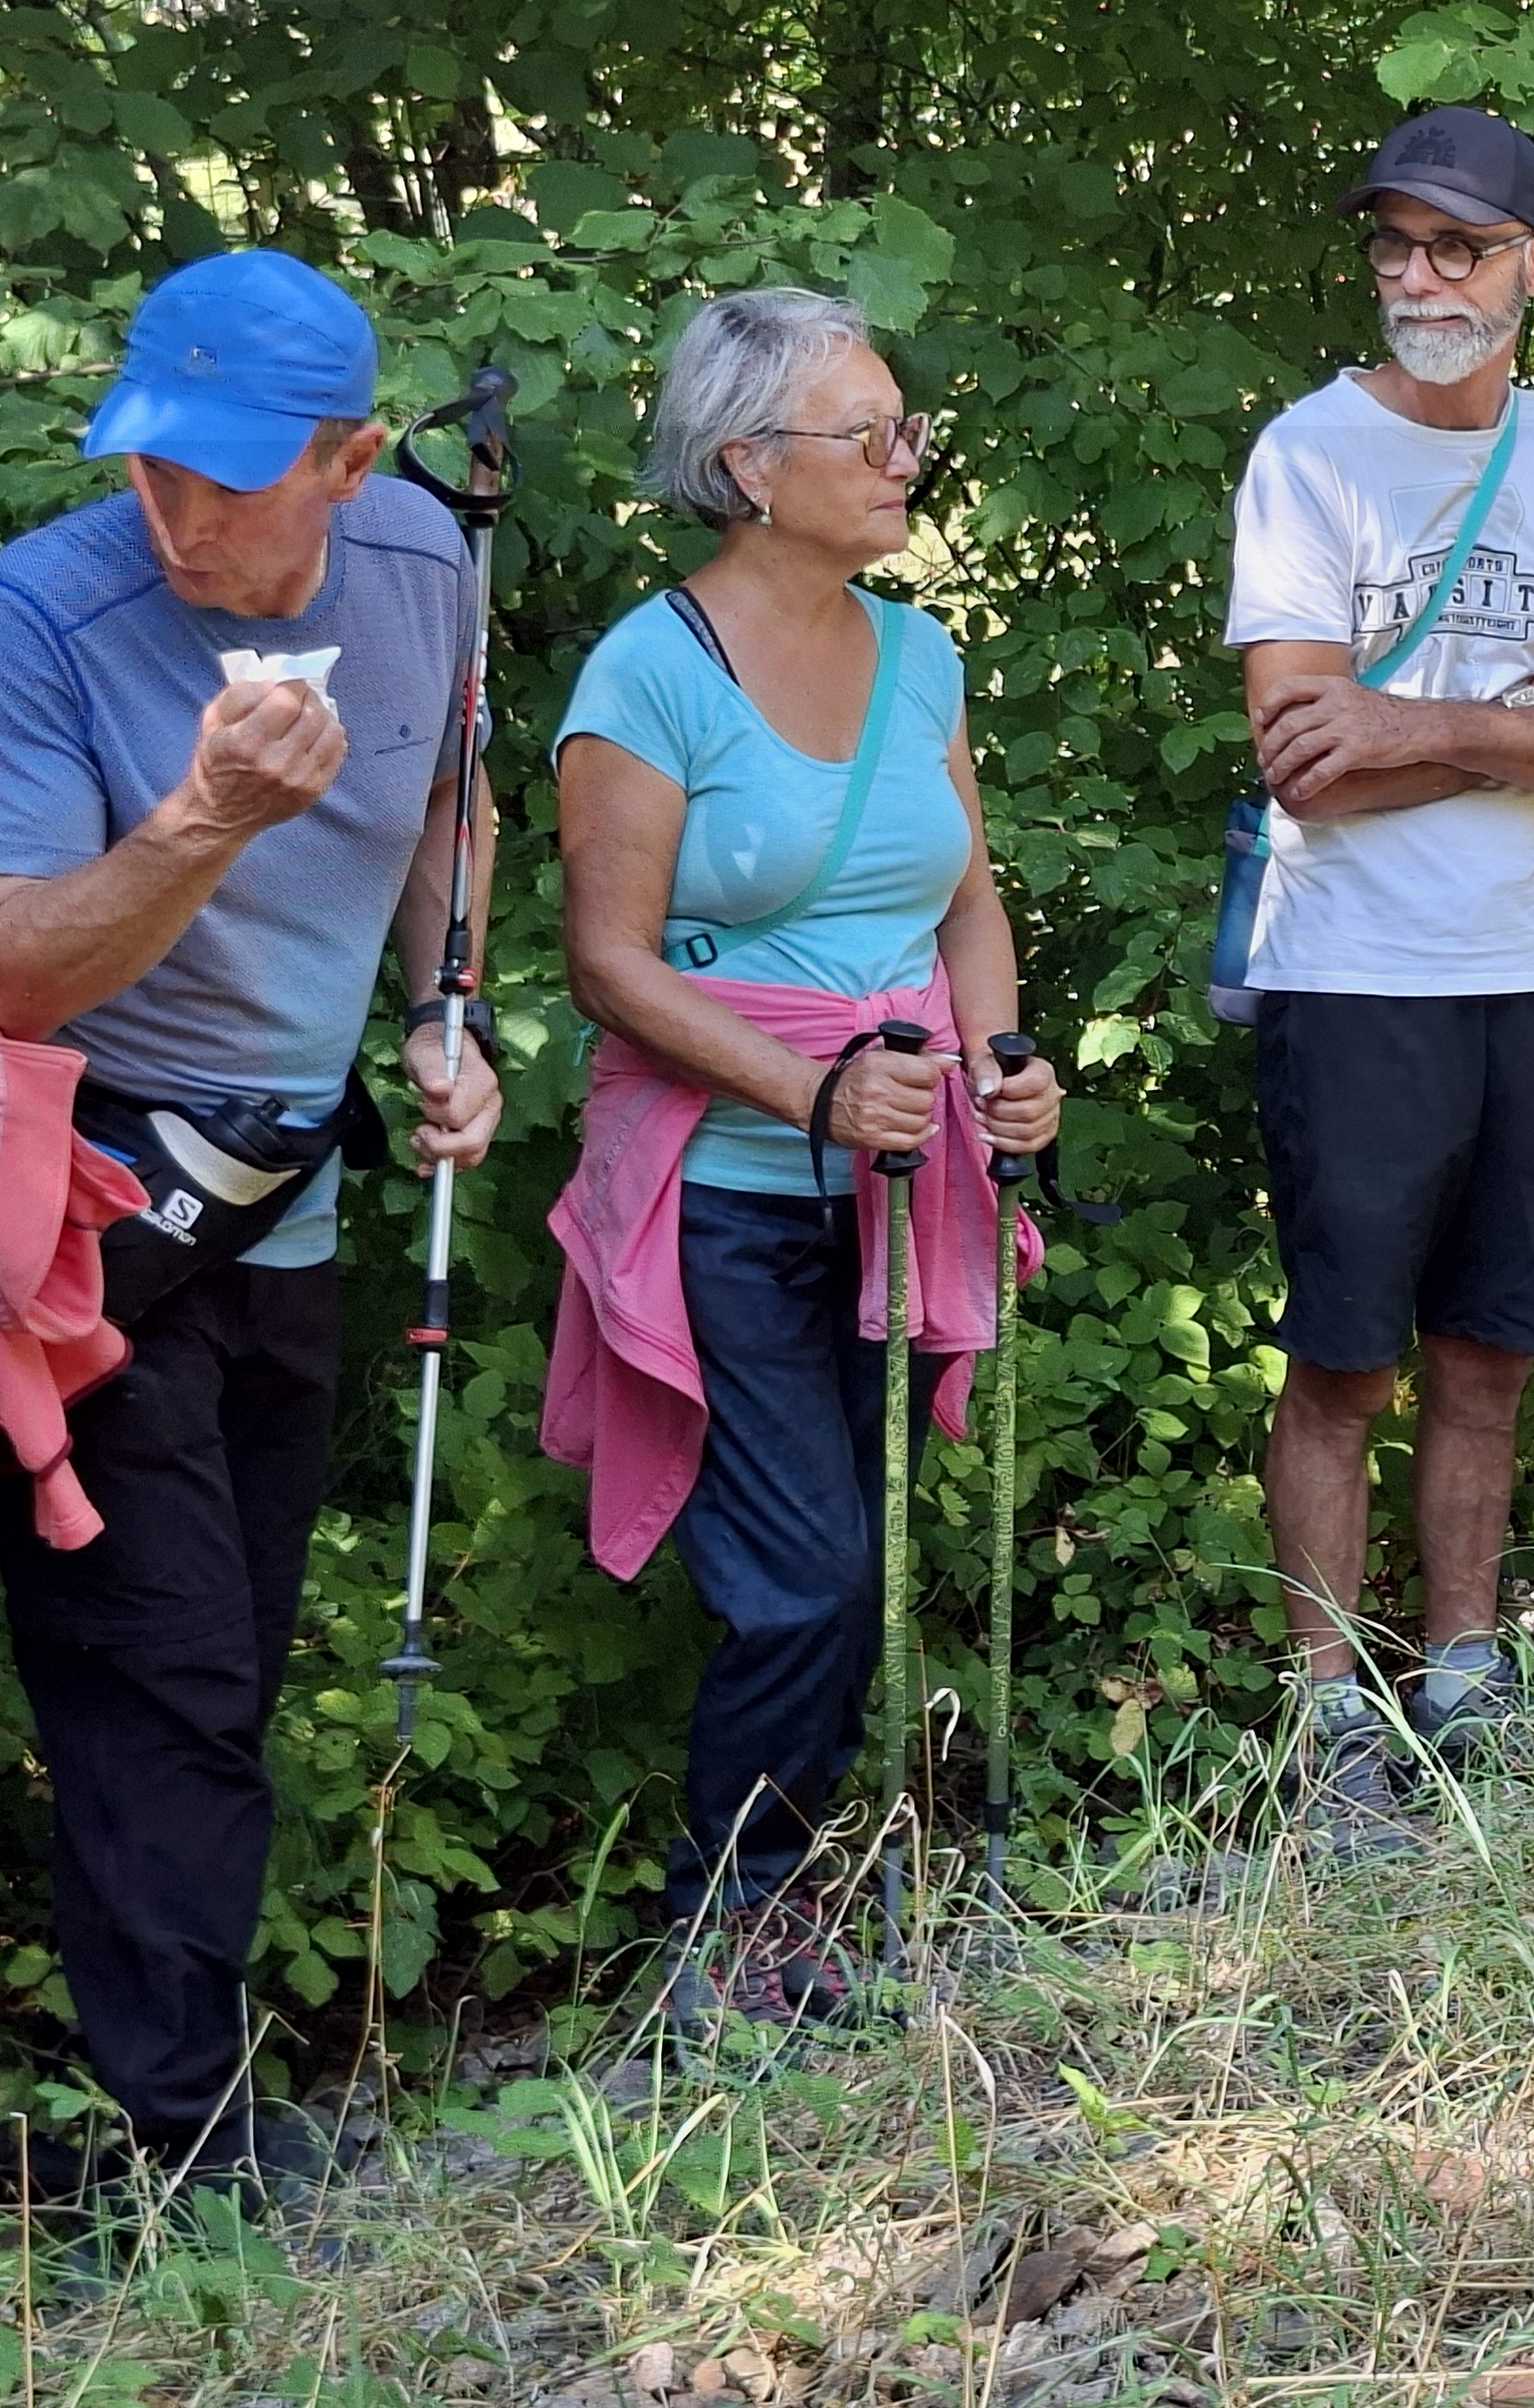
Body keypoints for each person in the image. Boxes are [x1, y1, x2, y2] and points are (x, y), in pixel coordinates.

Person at [0, 250, 502, 2195]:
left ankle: (175, 2093)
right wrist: (199, 822)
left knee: (238, 1649)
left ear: (351, 461)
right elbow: (7, 978)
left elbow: (456, 808)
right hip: (80, 1211)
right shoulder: (35, 620)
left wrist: (454, 1019)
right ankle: (190, 2151)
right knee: (161, 1662)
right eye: (146, 470)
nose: (176, 516)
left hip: (287, 1195)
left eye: (225, 477)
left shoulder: (428, 563)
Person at [547, 287, 1062, 2039]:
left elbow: (969, 900)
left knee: (859, 1556)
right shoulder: (649, 671)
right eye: (871, 433)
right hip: (722, 1190)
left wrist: (1000, 1065)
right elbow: (605, 960)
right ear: (749, 466)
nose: (907, 457)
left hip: (904, 1181)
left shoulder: (922, 657)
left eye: (904, 424)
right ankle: (727, 1935)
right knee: (811, 1574)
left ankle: (797, 1919)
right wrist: (810, 1093)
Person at [1221, 105, 1534, 1851]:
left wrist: (1419, 720)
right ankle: (1326, 1708)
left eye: (1460, 248)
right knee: (1344, 1364)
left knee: (1488, 1356)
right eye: (1396, 245)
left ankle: (1466, 1677)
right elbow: (1301, 758)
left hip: (1525, 971)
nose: (1421, 279)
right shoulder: (1306, 456)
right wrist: (1531, 722)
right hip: (1353, 976)